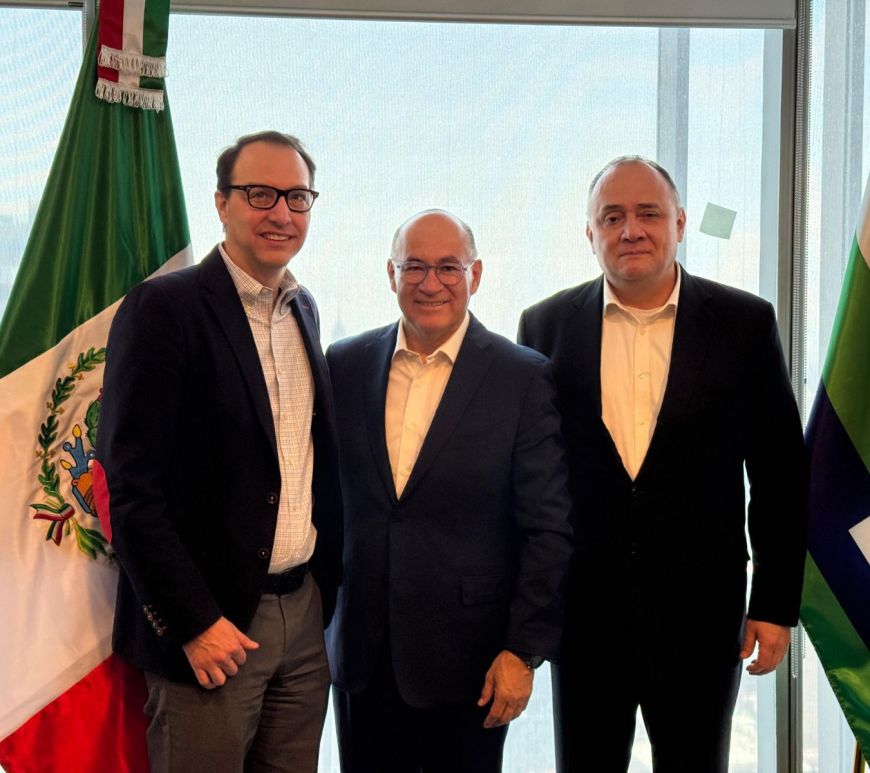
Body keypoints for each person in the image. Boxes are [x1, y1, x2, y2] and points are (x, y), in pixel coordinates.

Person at [518, 156, 807, 773]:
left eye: (648, 214)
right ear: (589, 233)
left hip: (702, 615)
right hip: (585, 616)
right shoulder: (544, 326)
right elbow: (532, 479)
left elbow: (780, 473)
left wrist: (775, 603)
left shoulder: (745, 323)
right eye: (612, 217)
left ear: (679, 223)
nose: (631, 230)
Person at [97, 131, 342, 773]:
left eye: (297, 196)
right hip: (213, 628)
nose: (281, 212)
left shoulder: (304, 309)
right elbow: (130, 489)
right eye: (260, 194)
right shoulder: (164, 308)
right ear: (221, 202)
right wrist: (193, 623)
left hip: (303, 618)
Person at [326, 209, 573, 772]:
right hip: (361, 659)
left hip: (473, 665)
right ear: (391, 274)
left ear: (475, 275)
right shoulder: (345, 363)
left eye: (448, 267)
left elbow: (547, 527)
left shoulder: (521, 376)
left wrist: (523, 651)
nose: (430, 283)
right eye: (414, 267)